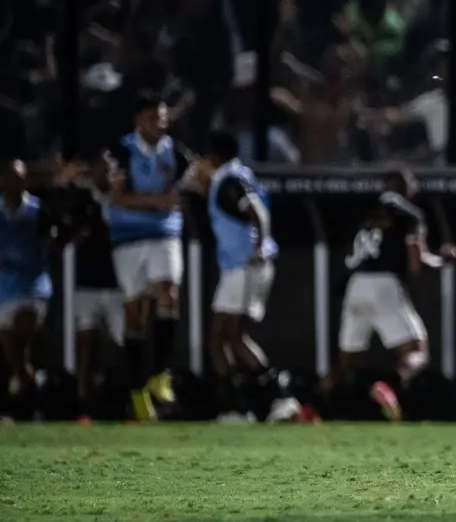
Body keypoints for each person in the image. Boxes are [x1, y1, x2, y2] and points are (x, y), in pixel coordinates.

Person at [327, 167, 456, 421]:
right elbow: (416, 263)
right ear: (406, 188)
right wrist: (444, 258)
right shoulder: (409, 214)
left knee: (346, 362)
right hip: (384, 283)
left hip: (355, 285)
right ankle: (394, 386)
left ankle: (313, 406)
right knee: (417, 350)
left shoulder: (364, 212)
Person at [105, 92, 192, 421]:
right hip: (128, 238)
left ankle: (160, 375)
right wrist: (158, 201)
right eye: (156, 118)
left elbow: (190, 184)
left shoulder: (176, 151)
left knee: (169, 293)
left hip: (165, 234)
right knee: (136, 313)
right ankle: (137, 390)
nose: (162, 124)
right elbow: (119, 198)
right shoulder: (121, 151)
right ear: (140, 121)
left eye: (165, 118)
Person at [202, 130, 299, 423]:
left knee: (226, 336)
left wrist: (259, 246)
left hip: (244, 264)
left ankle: (268, 402)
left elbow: (256, 210)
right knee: (226, 337)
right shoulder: (238, 176)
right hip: (241, 265)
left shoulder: (230, 179)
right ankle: (243, 406)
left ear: (213, 157)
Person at [65, 153, 125, 424]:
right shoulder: (81, 199)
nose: (107, 174)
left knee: (128, 345)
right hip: (87, 284)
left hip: (119, 285)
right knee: (85, 345)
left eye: (111, 169)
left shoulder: (123, 199)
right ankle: (83, 406)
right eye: (103, 168)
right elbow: (69, 235)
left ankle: (130, 403)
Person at [0, 159, 52, 420]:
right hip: (4, 289)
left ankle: (25, 390)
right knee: (15, 353)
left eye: (20, 177)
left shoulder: (39, 210)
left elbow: (50, 241)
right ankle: (30, 396)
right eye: (10, 177)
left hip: (33, 286)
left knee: (23, 334)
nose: (15, 183)